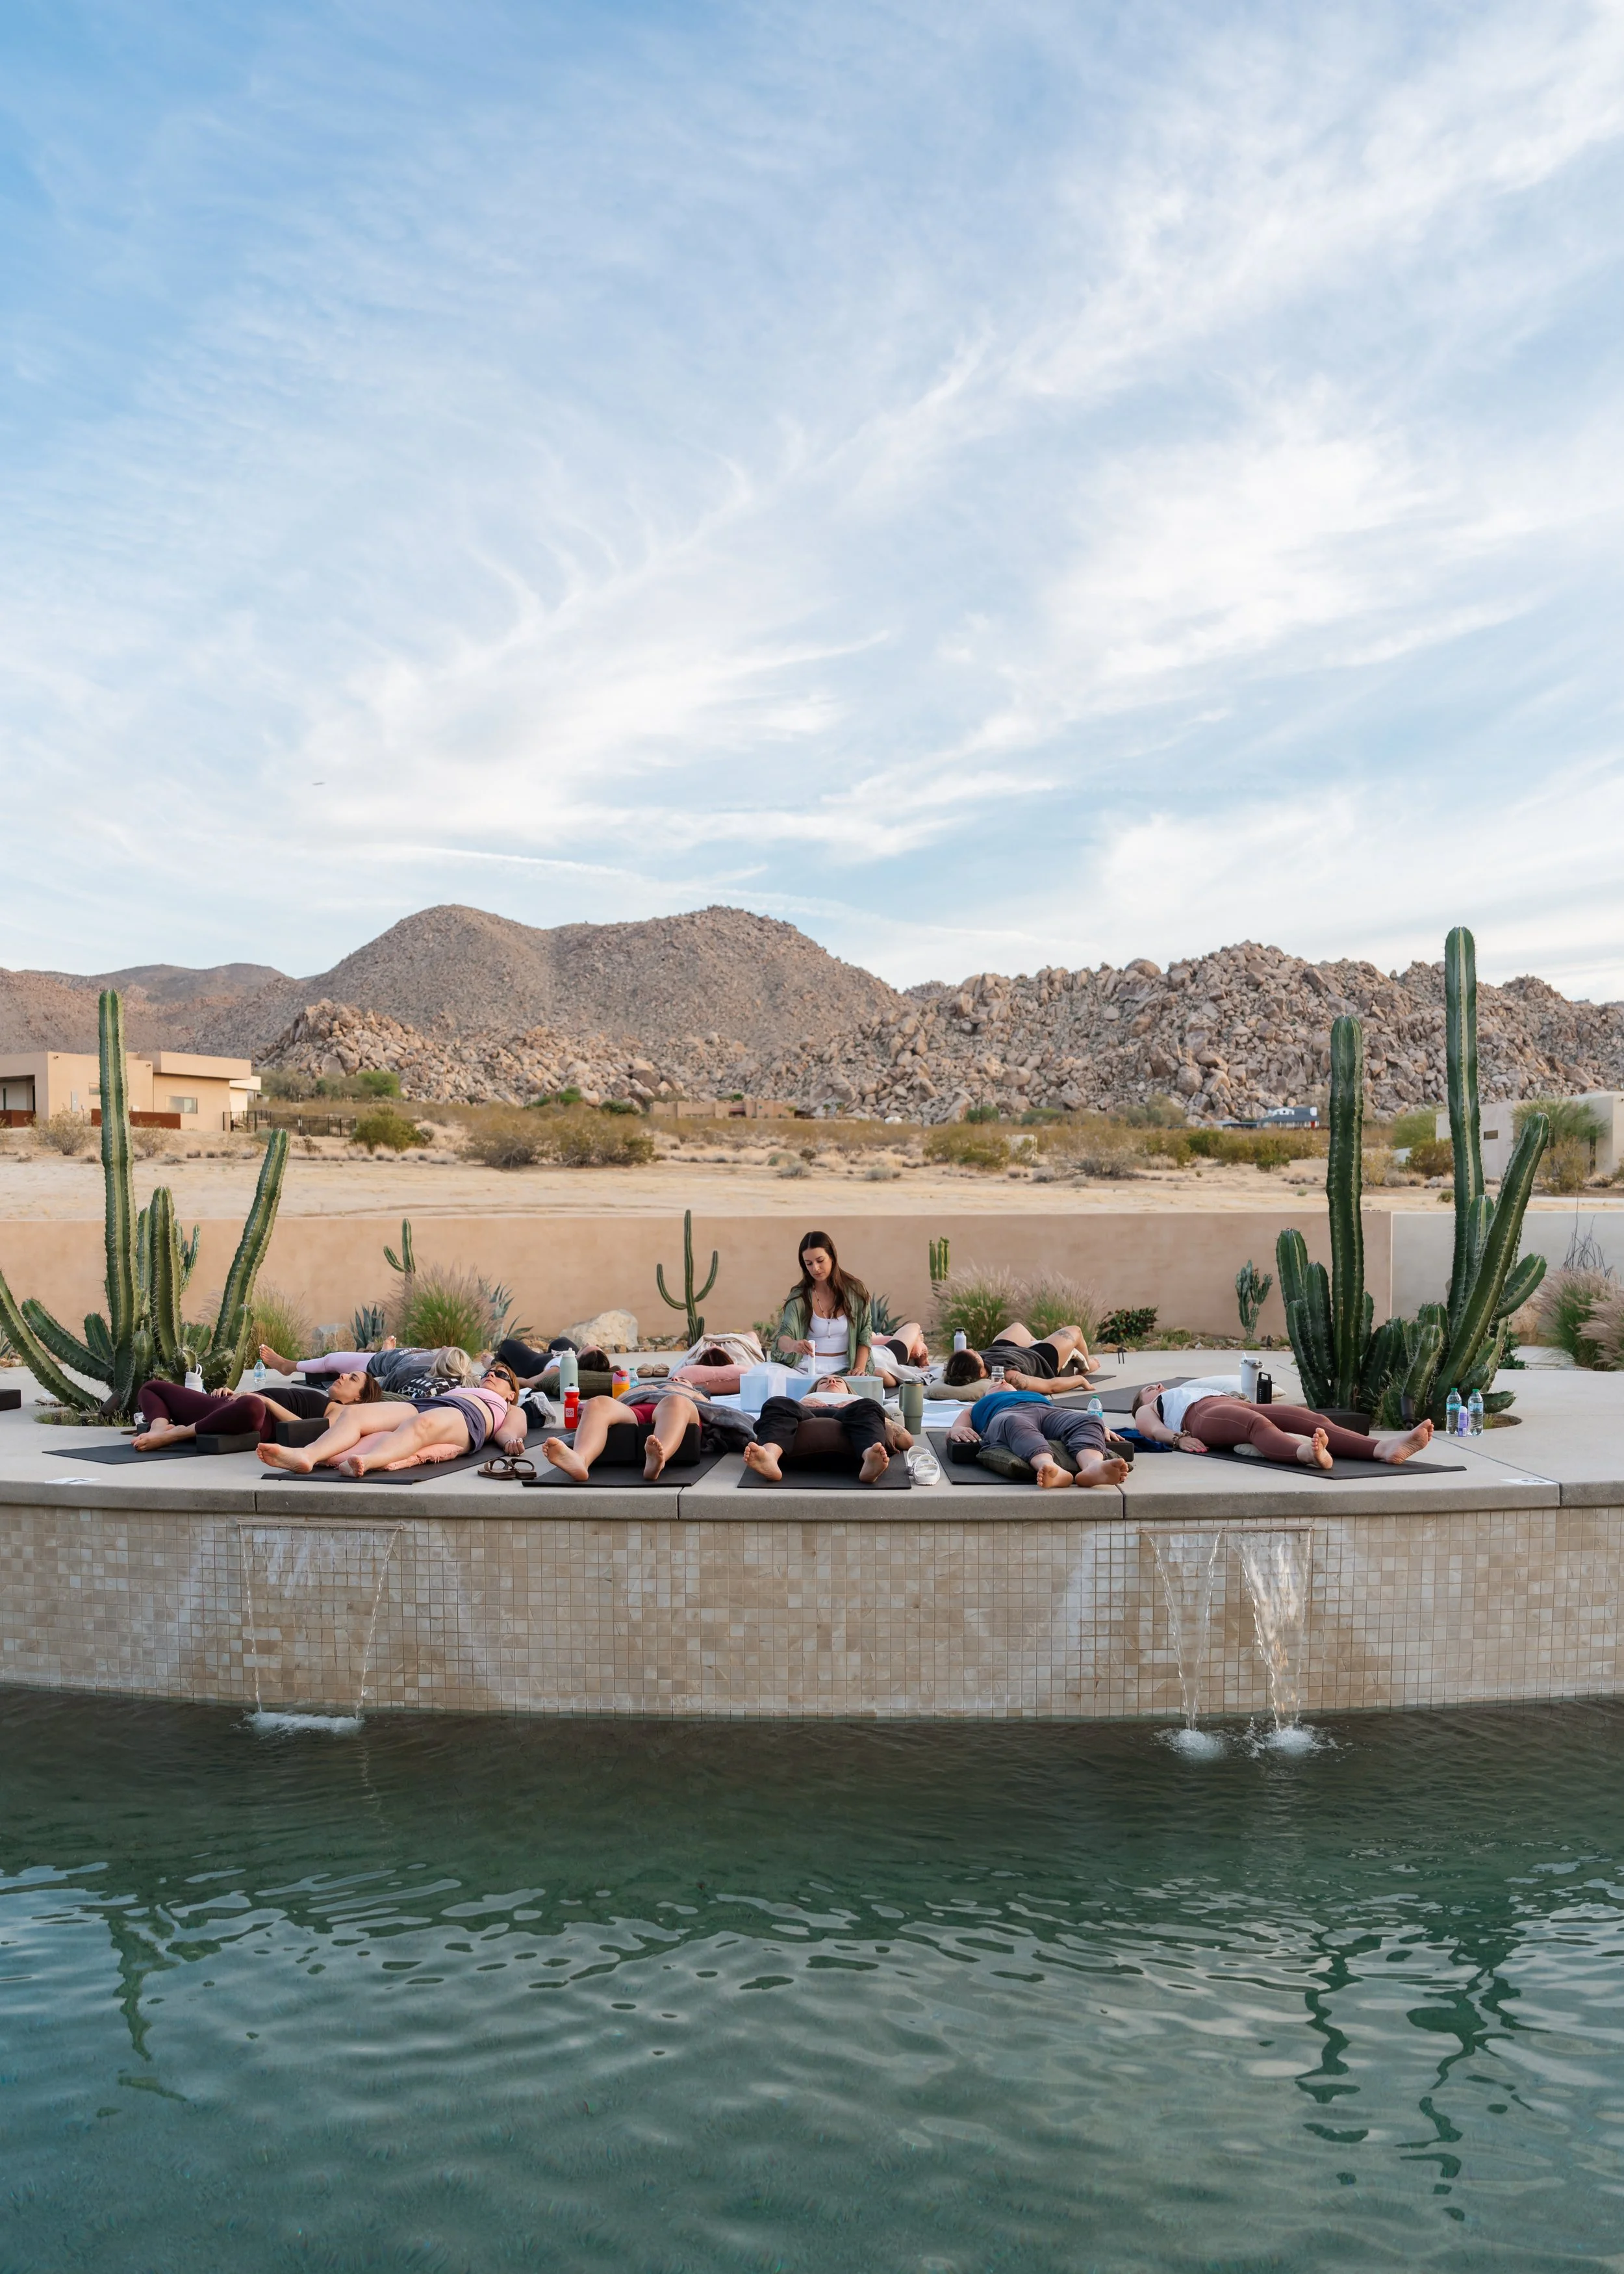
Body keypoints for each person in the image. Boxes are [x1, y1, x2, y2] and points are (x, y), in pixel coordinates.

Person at [258, 1362, 528, 1475]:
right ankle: (307, 1456)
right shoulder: (464, 1388)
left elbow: (513, 1430)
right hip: (428, 1404)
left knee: (422, 1425)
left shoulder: (508, 1407)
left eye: (501, 1375)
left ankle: (368, 1461)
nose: (492, 1375)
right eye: (489, 1371)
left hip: (468, 1417)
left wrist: (511, 1442)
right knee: (354, 1413)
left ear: (511, 1393)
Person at [1129, 1380, 1436, 1469]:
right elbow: (1151, 1430)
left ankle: (1384, 1448)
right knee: (1255, 1423)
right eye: (1148, 1389)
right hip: (1200, 1416)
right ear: (1144, 1400)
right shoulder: (1151, 1408)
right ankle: (1306, 1454)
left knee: (1309, 1418)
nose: (1156, 1386)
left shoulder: (1193, 1386)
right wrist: (1178, 1438)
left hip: (1230, 1404)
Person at [542, 1378, 755, 1482]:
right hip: (634, 1408)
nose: (675, 1380)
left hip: (673, 1409)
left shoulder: (692, 1395)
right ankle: (580, 1460)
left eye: (682, 1380)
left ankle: (657, 1461)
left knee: (676, 1402)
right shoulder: (640, 1388)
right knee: (597, 1403)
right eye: (675, 1379)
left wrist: (689, 1392)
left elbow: (723, 1416)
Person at [945, 1385, 1128, 1490]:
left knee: (1090, 1419)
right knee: (1014, 1423)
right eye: (994, 1386)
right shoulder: (978, 1407)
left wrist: (1098, 1427)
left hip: (1049, 1412)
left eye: (1005, 1383)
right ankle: (1049, 1468)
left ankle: (1094, 1467)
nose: (1001, 1383)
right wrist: (957, 1430)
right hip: (1008, 1414)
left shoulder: (1034, 1394)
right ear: (987, 1394)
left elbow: (1077, 1419)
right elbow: (956, 1428)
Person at [743, 1377, 909, 1486]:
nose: (831, 1380)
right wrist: (802, 1404)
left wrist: (859, 1405)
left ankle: (870, 1459)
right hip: (805, 1418)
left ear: (849, 1391)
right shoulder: (798, 1404)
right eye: (824, 1381)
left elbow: (907, 1441)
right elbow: (768, 1424)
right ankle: (770, 1458)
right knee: (776, 1402)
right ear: (814, 1391)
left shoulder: (861, 1404)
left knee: (870, 1405)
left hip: (853, 1420)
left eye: (838, 1380)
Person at [776, 1231, 874, 1376]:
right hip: (804, 1370)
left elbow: (865, 1335)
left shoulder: (855, 1292)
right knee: (766, 1374)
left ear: (832, 1257)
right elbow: (783, 1336)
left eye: (820, 1261)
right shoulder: (799, 1297)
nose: (815, 1268)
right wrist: (794, 1345)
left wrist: (858, 1370)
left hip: (845, 1371)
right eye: (809, 1264)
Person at [132, 1377, 309, 1451]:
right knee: (152, 1387)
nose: (339, 1377)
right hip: (228, 1405)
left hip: (256, 1417)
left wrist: (266, 1401)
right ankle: (158, 1430)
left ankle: (177, 1434)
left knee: (253, 1406)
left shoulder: (337, 1411)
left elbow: (309, 1430)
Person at [260, 1340, 476, 1398]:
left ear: (441, 1362)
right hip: (388, 1356)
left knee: (331, 1360)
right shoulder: (438, 1359)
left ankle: (288, 1366)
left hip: (371, 1363)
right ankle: (385, 1349)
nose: (445, 1347)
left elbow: (383, 1385)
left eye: (446, 1350)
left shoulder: (412, 1373)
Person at [940, 1320, 1097, 1393]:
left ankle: (1036, 1342)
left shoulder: (961, 1369)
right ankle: (1087, 1367)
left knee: (1018, 1326)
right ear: (981, 1373)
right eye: (975, 1354)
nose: (975, 1350)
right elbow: (1051, 1386)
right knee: (1075, 1330)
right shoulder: (1010, 1377)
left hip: (1002, 1349)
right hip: (1039, 1356)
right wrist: (1080, 1380)